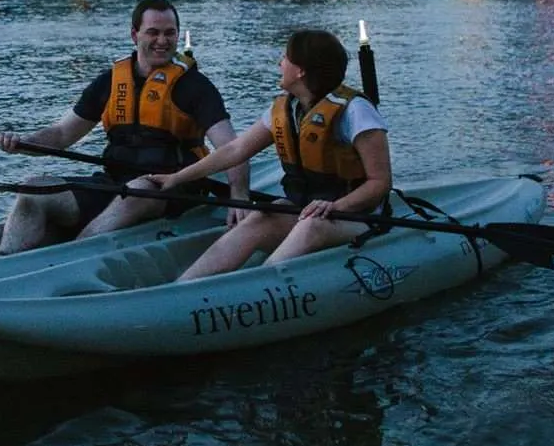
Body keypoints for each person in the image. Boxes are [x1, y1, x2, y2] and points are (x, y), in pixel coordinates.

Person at [0, 0, 249, 253]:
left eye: (170, 33)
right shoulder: (110, 82)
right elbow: (61, 134)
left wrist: (239, 195)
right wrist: (22, 143)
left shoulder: (195, 86)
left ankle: (73, 253)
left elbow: (232, 147)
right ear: (134, 35)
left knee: (138, 190)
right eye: (153, 32)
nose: (162, 41)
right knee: (32, 189)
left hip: (174, 188)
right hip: (113, 182)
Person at [147, 28, 391, 280]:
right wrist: (176, 179)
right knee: (261, 217)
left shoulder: (356, 111)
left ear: (300, 71)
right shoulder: (288, 107)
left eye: (285, 57)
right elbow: (235, 150)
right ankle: (184, 286)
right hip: (307, 210)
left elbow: (380, 182)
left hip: (357, 217)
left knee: (311, 225)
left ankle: (257, 288)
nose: (279, 62)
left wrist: (334, 206)